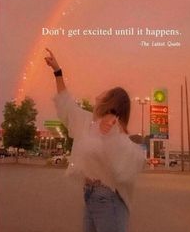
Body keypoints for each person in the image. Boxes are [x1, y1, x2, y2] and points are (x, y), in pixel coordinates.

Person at [45, 48, 144, 232]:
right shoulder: (88, 123)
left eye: (103, 95)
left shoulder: (117, 135)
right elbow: (67, 106)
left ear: (110, 103)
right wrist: (58, 72)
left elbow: (129, 164)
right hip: (90, 195)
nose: (97, 97)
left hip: (108, 199)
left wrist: (112, 135)